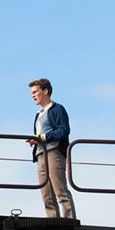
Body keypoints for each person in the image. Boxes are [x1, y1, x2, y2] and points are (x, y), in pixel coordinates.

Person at [26, 78, 76, 219]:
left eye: (35, 92)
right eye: (32, 93)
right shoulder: (38, 114)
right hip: (40, 154)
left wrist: (42, 138)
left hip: (53, 153)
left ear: (45, 91)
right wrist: (36, 141)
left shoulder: (57, 109)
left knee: (60, 190)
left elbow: (64, 130)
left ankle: (69, 221)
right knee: (46, 193)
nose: (33, 95)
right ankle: (53, 221)